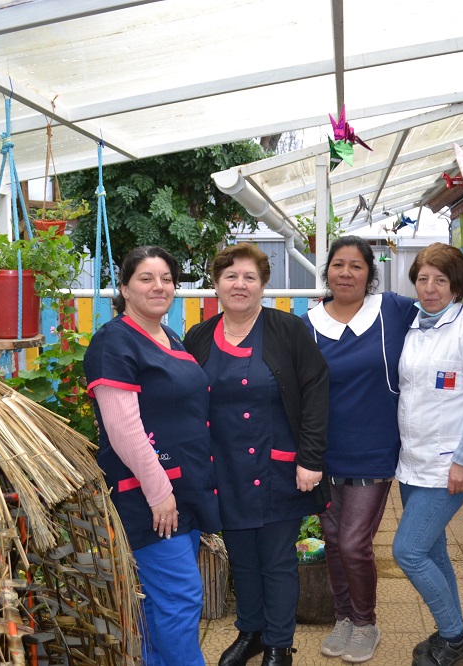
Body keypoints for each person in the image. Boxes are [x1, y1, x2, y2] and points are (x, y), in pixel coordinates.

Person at [184, 243, 329, 666]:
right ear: (216, 285)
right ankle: (252, 633)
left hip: (279, 466)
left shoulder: (288, 330)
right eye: (230, 277)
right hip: (224, 470)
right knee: (242, 560)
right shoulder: (199, 336)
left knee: (278, 560)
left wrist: (312, 459)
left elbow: (316, 392)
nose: (240, 284)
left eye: (249, 277)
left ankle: (280, 644)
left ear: (263, 285)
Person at [83, 246, 221, 666]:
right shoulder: (114, 341)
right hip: (150, 496)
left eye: (166, 278)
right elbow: (124, 429)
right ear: (124, 287)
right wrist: (159, 491)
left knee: (160, 605)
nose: (158, 286)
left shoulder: (169, 336)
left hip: (184, 491)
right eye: (146, 278)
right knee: (181, 599)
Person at [302, 236, 416, 663]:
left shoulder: (393, 310)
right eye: (338, 265)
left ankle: (366, 622)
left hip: (374, 445)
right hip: (323, 449)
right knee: (332, 538)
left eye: (356, 266)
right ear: (326, 271)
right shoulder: (308, 323)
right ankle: (343, 618)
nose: (346, 273)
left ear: (370, 274)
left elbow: (443, 323)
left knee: (353, 542)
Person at [392, 243, 463, 666]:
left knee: (408, 551)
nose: (430, 287)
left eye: (440, 279)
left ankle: (456, 636)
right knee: (433, 553)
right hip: (413, 461)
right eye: (423, 278)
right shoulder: (415, 326)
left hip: (450, 466)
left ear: (457, 285)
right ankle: (450, 633)